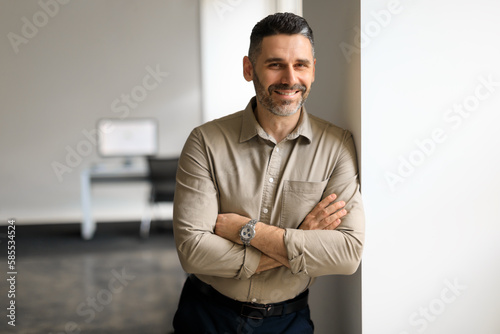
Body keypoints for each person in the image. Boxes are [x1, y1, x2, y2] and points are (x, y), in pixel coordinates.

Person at [172, 12, 365, 334]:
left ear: (313, 69)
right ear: (249, 69)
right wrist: (303, 236)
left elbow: (347, 254)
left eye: (300, 65)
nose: (290, 79)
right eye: (275, 64)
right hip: (207, 316)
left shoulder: (337, 146)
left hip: (289, 321)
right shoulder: (205, 141)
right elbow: (193, 251)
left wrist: (247, 231)